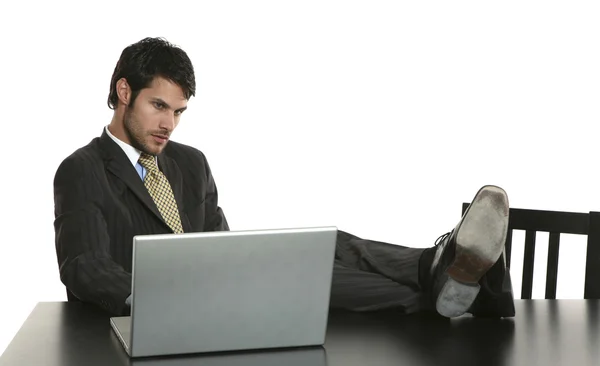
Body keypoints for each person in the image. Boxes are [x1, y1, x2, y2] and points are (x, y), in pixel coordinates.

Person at [53, 37, 515, 319]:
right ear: (123, 91)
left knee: (323, 247)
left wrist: (242, 265)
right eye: (159, 107)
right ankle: (468, 285)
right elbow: (84, 266)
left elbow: (217, 239)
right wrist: (153, 302)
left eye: (179, 112)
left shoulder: (190, 163)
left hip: (220, 290)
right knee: (310, 275)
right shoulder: (82, 169)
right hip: (164, 311)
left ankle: (434, 271)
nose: (169, 125)